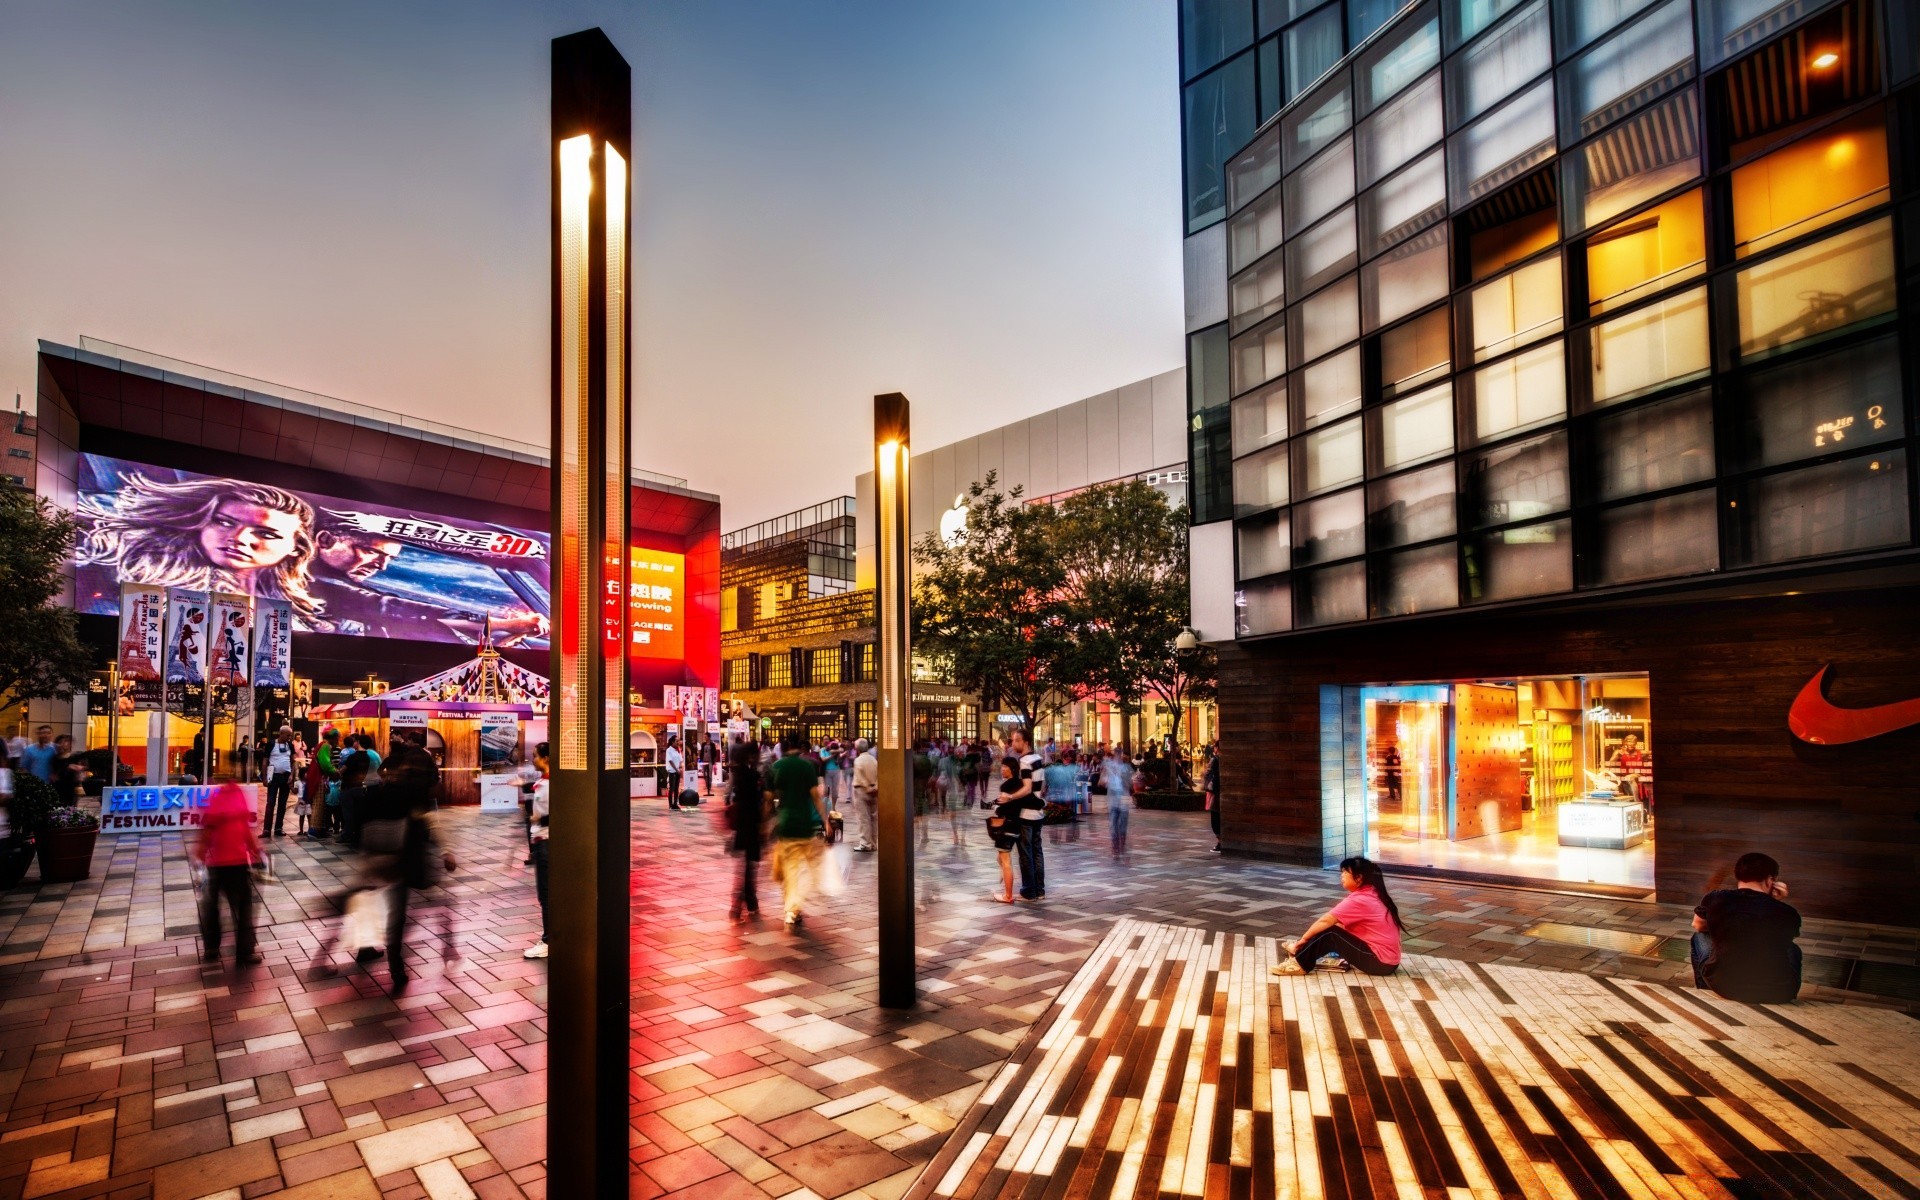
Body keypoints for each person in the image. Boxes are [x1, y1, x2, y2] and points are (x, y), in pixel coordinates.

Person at [77, 472, 323, 617]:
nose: (239, 538)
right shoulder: (148, 594)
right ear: (202, 523)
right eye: (225, 522)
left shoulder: (293, 611)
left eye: (266, 534)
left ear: (296, 547)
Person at [363, 739, 455, 992]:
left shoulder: (389, 786)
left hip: (383, 854)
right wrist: (447, 850)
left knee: (386, 907)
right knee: (400, 914)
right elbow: (427, 820)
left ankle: (377, 955)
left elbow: (372, 817)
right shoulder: (414, 791)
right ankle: (396, 968)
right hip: (403, 857)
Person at [1692, 853, 1801, 1004]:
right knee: (1793, 949)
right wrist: (1775, 902)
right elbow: (1780, 937)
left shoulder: (1715, 898)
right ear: (1770, 880)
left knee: (1699, 937)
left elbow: (1698, 925)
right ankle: (1791, 998)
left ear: (1738, 875)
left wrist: (1723, 923)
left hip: (1725, 986)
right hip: (1777, 992)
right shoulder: (1787, 912)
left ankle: (1705, 992)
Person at [1272, 857, 1405, 976]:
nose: (1341, 876)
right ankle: (1300, 951)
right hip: (1387, 962)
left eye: (1345, 872)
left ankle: (1298, 965)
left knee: (1331, 933)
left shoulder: (1361, 900)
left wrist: (1303, 940)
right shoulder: (1373, 893)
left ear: (1358, 878)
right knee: (1333, 928)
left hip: (1380, 963)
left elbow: (1326, 920)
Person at [190, 777, 264, 966]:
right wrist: (255, 851)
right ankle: (244, 953)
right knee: (243, 908)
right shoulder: (238, 794)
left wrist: (200, 852)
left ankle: (212, 948)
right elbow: (244, 828)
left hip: (216, 862)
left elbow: (209, 828)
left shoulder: (217, 797)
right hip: (236, 862)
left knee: (212, 907)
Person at [765, 736, 828, 930]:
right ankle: (794, 908)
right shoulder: (807, 766)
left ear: (782, 749)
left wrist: (765, 823)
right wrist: (826, 821)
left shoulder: (776, 767)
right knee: (800, 869)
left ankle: (791, 909)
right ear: (800, 748)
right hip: (804, 824)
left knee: (788, 869)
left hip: (785, 824)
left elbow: (768, 799)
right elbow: (816, 797)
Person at [725, 741, 764, 921]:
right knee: (749, 866)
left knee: (746, 865)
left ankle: (747, 902)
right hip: (751, 822)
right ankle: (741, 903)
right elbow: (757, 800)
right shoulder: (751, 774)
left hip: (741, 823)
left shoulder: (738, 773)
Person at [1008, 728, 1046, 901]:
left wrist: (1011, 796)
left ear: (1026, 742)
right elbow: (1041, 786)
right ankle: (1040, 890)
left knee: (1025, 853)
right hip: (1038, 812)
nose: (1014, 743)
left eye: (1017, 740)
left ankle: (1028, 891)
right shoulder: (1038, 759)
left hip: (1026, 813)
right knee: (1037, 851)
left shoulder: (1024, 761)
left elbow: (1027, 787)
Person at [524, 742, 553, 958]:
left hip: (547, 842)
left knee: (546, 894)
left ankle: (548, 940)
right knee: (545, 894)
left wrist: (538, 818)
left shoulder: (552, 784)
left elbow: (559, 813)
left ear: (546, 759)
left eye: (535, 756)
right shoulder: (543, 782)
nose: (532, 759)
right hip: (540, 841)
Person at [987, 757, 1022, 903]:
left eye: (1005, 767)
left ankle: (1008, 895)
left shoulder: (1006, 786)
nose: (1002, 769)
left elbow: (1003, 810)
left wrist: (995, 807)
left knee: (1006, 861)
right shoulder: (1021, 784)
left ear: (1012, 769)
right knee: (1000, 858)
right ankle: (1005, 878)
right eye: (1001, 767)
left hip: (1007, 825)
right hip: (1017, 825)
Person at [260, 726, 296, 836]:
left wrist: (292, 775)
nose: (289, 737)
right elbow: (265, 761)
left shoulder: (290, 745)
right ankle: (266, 829)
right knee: (270, 802)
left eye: (290, 735)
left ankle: (278, 828)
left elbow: (294, 761)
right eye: (287, 735)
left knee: (282, 803)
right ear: (281, 734)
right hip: (273, 776)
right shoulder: (271, 744)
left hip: (286, 776)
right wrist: (264, 777)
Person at [1101, 749, 1136, 857]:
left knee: (1123, 823)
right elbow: (1102, 781)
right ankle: (1115, 847)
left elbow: (1130, 784)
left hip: (1123, 798)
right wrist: (1106, 778)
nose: (1118, 757)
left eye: (1119, 755)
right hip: (1113, 798)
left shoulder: (1126, 768)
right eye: (1116, 755)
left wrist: (1121, 777)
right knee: (1113, 823)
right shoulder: (1108, 767)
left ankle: (1122, 845)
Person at [850, 738, 879, 852]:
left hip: (862, 790)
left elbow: (860, 776)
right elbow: (879, 774)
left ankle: (865, 843)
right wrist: (875, 787)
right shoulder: (874, 760)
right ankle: (873, 843)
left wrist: (867, 787)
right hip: (875, 790)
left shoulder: (858, 761)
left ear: (857, 749)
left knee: (863, 818)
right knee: (873, 818)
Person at [1203, 747, 1222, 854]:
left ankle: (1220, 843)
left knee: (1215, 818)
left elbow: (1208, 774)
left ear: (1216, 748)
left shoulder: (1215, 759)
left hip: (1215, 793)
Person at [664, 736, 685, 810]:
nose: (678, 742)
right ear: (672, 742)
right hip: (672, 771)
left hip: (677, 771)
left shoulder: (677, 750)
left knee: (676, 788)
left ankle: (675, 803)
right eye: (676, 741)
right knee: (671, 788)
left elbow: (680, 760)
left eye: (678, 741)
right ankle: (670, 805)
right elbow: (670, 761)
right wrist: (676, 769)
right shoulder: (669, 750)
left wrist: (680, 768)